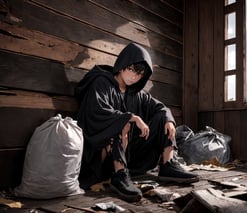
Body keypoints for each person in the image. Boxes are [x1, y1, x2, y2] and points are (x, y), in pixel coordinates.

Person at [74, 43, 199, 202]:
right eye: (132, 69)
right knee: (121, 122)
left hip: (130, 153)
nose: (134, 76)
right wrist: (132, 117)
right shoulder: (101, 82)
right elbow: (96, 113)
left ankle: (168, 165)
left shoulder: (137, 94)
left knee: (163, 117)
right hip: (101, 155)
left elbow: (160, 107)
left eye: (140, 74)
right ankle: (119, 175)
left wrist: (168, 120)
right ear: (122, 65)